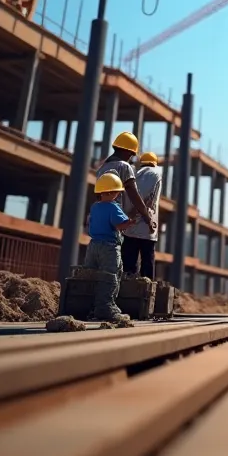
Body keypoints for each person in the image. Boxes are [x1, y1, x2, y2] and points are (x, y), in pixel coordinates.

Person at [85, 173, 137, 322]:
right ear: (109, 192)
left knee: (90, 276)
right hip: (109, 247)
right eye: (117, 192)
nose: (118, 194)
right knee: (110, 277)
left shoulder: (95, 207)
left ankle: (88, 308)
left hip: (93, 246)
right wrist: (131, 221)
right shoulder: (113, 207)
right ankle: (106, 309)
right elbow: (120, 225)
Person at [95, 131, 158, 236]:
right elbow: (134, 195)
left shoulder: (102, 168)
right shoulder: (124, 166)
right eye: (131, 155)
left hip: (100, 220)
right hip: (115, 221)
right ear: (127, 152)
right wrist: (147, 218)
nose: (130, 158)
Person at [121, 150, 162, 279]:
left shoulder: (134, 173)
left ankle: (125, 290)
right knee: (147, 264)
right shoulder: (156, 174)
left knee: (128, 265)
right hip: (146, 226)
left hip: (130, 226)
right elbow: (150, 201)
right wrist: (148, 221)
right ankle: (146, 293)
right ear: (154, 164)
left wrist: (130, 217)